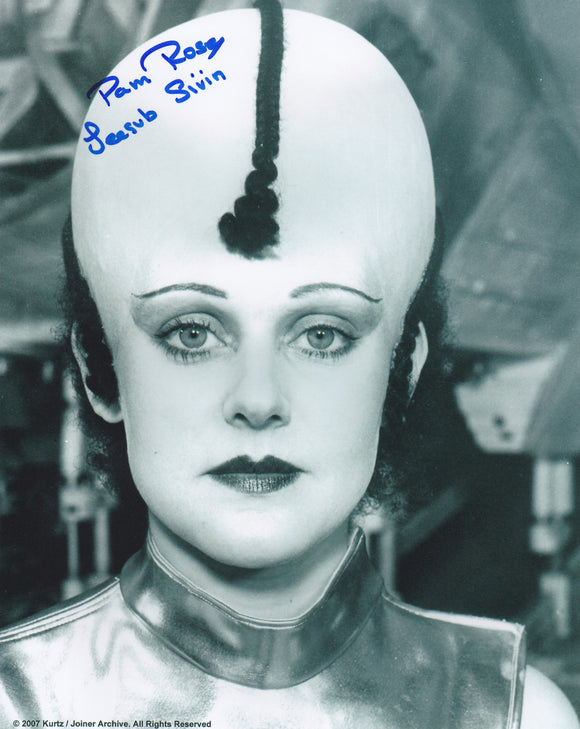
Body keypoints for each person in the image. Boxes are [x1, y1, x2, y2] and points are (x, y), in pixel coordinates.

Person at [0, 2, 577, 727]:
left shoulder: (513, 713)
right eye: (191, 333)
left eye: (323, 335)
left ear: (402, 372)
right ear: (98, 369)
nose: (258, 397)